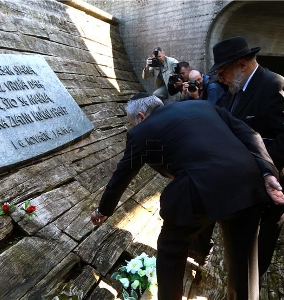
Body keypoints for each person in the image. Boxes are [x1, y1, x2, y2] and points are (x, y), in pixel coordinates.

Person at [90, 92, 284, 300]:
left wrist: (103, 210)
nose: (133, 127)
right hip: (249, 184)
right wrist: (267, 172)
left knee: (171, 250)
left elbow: (123, 173)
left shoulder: (142, 131)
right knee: (244, 262)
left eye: (132, 123)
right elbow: (250, 135)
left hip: (199, 191)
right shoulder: (204, 106)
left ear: (141, 116)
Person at [190, 36, 284, 278]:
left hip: (270, 181)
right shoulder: (235, 88)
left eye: (222, 72)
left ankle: (254, 280)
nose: (220, 79)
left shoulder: (274, 84)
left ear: (241, 65)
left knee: (261, 239)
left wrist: (261, 167)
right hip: (241, 178)